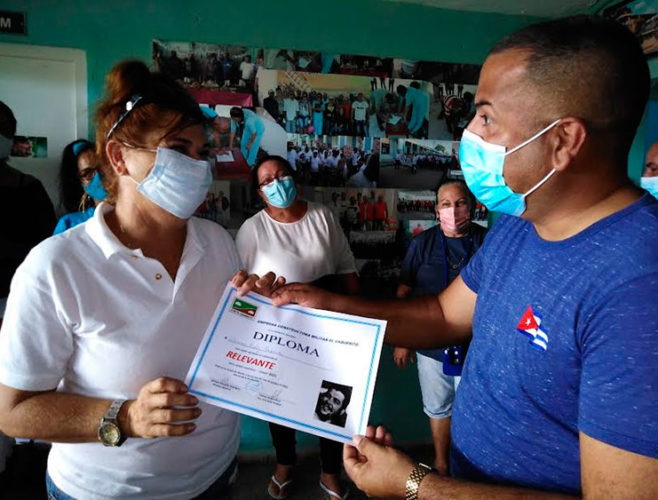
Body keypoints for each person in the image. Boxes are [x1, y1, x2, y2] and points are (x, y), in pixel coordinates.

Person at [271, 16, 658, 498]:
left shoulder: (640, 288)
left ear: (563, 141)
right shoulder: (517, 224)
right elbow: (442, 313)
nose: (470, 132)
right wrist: (325, 304)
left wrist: (414, 484)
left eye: (487, 117)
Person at [0, 60, 261, 499]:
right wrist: (126, 417)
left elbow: (225, 336)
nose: (198, 167)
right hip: (106, 491)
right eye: (178, 148)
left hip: (215, 476)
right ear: (119, 157)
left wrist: (257, 308)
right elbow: (14, 412)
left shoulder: (217, 241)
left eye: (202, 152)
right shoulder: (55, 267)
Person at [235, 155, 359, 500]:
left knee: (333, 399)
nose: (277, 184)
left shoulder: (322, 216)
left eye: (282, 175)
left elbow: (347, 266)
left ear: (294, 178)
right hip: (278, 329)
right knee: (280, 398)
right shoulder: (252, 229)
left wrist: (359, 319)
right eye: (267, 180)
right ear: (260, 192)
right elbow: (240, 287)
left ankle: (331, 471)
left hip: (329, 324)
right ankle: (285, 462)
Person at [393, 181, 487, 475]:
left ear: (472, 207)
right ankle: (442, 462)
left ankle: (469, 468)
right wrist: (403, 339)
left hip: (477, 347)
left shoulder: (488, 242)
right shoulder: (422, 244)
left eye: (460, 203)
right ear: (436, 211)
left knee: (472, 409)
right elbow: (404, 292)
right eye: (446, 204)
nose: (454, 210)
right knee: (437, 407)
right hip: (431, 345)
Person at [0, 98, 56, 301]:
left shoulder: (29, 187)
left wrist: (5, 248)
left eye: (2, 129)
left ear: (11, 137)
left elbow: (49, 248)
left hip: (16, 294)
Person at [53, 139, 107, 235]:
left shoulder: (131, 216)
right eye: (87, 173)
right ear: (79, 182)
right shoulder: (69, 224)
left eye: (101, 168)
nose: (98, 176)